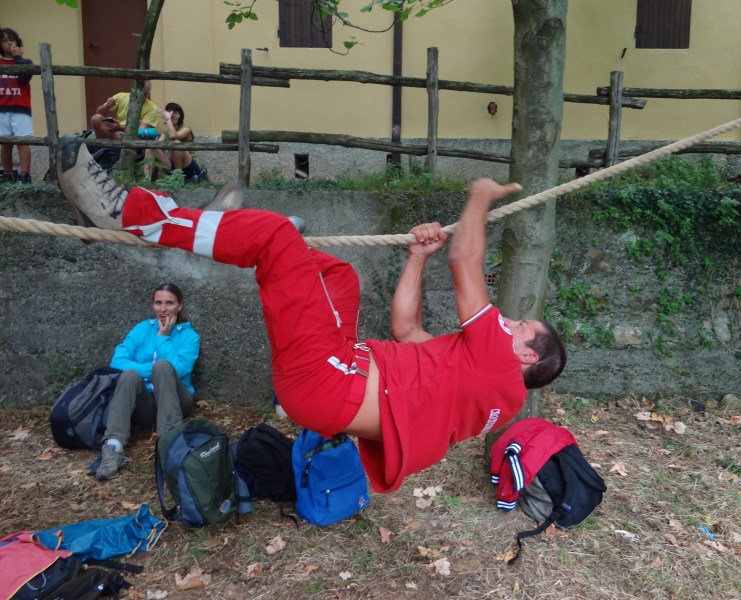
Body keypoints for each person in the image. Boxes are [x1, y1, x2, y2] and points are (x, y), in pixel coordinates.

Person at [58, 138, 566, 493]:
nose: (512, 322)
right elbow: (406, 330)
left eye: (522, 327)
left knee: (275, 238)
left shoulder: (500, 366)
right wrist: (416, 257)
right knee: (339, 275)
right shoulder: (483, 389)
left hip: (327, 380)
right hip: (338, 373)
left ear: (525, 352)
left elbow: (466, 259)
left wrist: (479, 195)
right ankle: (229, 230)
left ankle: (129, 213)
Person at [93, 282, 200, 481]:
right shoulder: (142, 329)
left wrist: (162, 338)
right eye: (158, 303)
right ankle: (113, 449)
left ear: (180, 306)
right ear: (152, 305)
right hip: (146, 405)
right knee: (129, 375)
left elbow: (177, 370)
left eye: (169, 303)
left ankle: (169, 446)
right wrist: (149, 371)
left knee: (163, 367)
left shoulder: (189, 337)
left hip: (177, 400)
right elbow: (117, 362)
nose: (163, 308)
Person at [0, 28, 34, 184]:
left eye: (12, 40)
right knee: (6, 143)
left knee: (23, 142)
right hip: (2, 108)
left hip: (21, 108)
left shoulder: (26, 62)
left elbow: (24, 78)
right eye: (5, 41)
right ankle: (7, 174)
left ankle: (24, 174)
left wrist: (18, 57)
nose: (9, 43)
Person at [143, 101, 207, 182]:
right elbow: (157, 145)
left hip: (190, 167)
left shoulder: (186, 129)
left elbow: (174, 136)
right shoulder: (165, 131)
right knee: (150, 148)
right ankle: (146, 181)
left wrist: (168, 119)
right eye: (169, 112)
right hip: (172, 166)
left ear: (180, 116)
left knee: (176, 143)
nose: (172, 115)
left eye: (175, 113)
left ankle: (178, 179)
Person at [89, 80, 159, 140]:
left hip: (131, 134)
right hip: (116, 128)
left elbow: (140, 132)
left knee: (115, 134)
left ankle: (107, 149)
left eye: (145, 94)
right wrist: (107, 106)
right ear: (133, 90)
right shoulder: (121, 96)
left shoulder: (152, 108)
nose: (141, 96)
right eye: (138, 93)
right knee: (95, 119)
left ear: (148, 93)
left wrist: (120, 128)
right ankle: (105, 149)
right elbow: (98, 113)